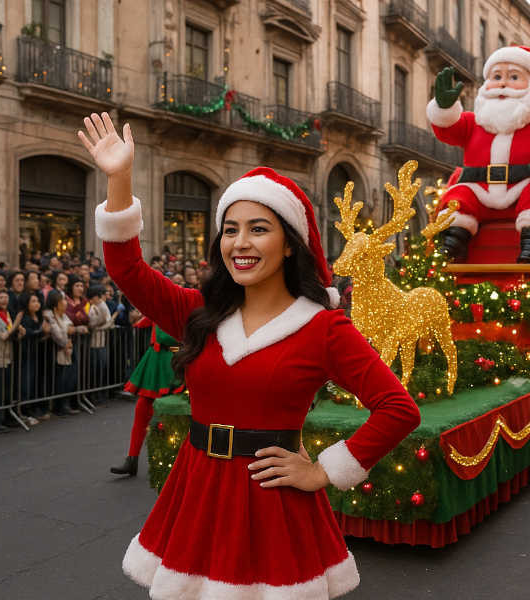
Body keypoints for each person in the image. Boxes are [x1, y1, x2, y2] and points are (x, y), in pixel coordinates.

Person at [79, 111, 420, 598]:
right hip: (197, 489)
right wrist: (119, 177)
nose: (240, 243)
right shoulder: (198, 311)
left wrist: (323, 470)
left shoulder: (323, 328)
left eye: (258, 229)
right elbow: (127, 268)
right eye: (230, 229)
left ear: (289, 245)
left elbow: (398, 408)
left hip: (273, 500)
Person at [426, 46, 530, 263]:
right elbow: (448, 130)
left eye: (514, 77)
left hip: (523, 189)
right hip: (479, 191)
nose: (503, 84)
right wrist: (444, 107)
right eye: (497, 77)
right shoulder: (473, 122)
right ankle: (451, 248)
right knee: (458, 197)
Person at [110, 316, 183, 477]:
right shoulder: (159, 307)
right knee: (142, 408)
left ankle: (173, 460)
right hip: (155, 358)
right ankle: (132, 458)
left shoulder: (180, 305)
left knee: (171, 413)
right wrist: (139, 320)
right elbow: (146, 318)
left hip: (173, 358)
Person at [44, 290, 86, 415]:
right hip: (56, 353)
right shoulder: (49, 315)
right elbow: (58, 334)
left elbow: (70, 326)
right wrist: (67, 334)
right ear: (55, 303)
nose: (65, 302)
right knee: (60, 380)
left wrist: (70, 330)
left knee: (69, 378)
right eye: (62, 300)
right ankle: (59, 406)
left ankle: (66, 404)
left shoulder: (63, 315)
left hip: (68, 351)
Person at [0, 291, 21, 432]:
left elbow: (5, 332)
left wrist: (16, 330)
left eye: (6, 297)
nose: (4, 300)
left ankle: (2, 418)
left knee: (3, 390)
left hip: (3, 356)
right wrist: (15, 326)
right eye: (1, 297)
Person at [18, 291, 51, 423]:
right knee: (26, 382)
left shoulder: (39, 317)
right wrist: (42, 331)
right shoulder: (24, 317)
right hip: (26, 354)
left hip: (38, 354)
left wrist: (45, 333)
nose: (37, 304)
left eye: (37, 301)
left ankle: (35, 407)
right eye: (33, 301)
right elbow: (27, 333)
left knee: (36, 382)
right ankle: (25, 411)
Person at [87, 284, 114, 402]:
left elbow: (108, 322)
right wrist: (102, 324)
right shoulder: (93, 307)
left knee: (102, 368)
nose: (103, 298)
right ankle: (93, 394)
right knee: (94, 370)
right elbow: (92, 323)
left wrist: (104, 324)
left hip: (102, 342)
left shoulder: (102, 305)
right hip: (94, 343)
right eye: (101, 295)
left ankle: (100, 393)